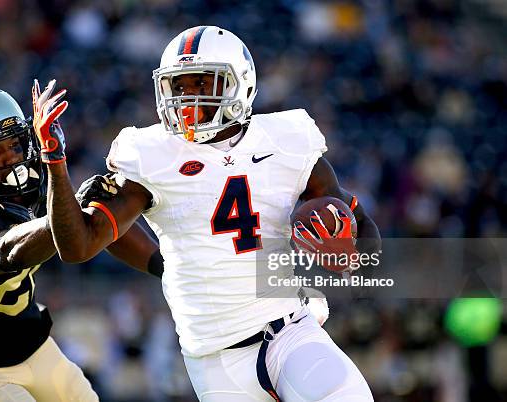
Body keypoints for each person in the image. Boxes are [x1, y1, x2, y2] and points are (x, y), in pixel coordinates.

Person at [34, 26, 381, 402]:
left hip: (291, 331)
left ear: (240, 84)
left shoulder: (286, 140)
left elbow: (355, 220)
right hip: (215, 358)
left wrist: (351, 254)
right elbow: (78, 246)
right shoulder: (152, 154)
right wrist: (55, 162)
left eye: (202, 83)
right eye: (179, 85)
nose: (187, 97)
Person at [0, 85, 162, 402]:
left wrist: (170, 270)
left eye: (14, 145)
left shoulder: (31, 180)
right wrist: (65, 215)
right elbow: (0, 254)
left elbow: (95, 230)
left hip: (28, 341)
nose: (11, 158)